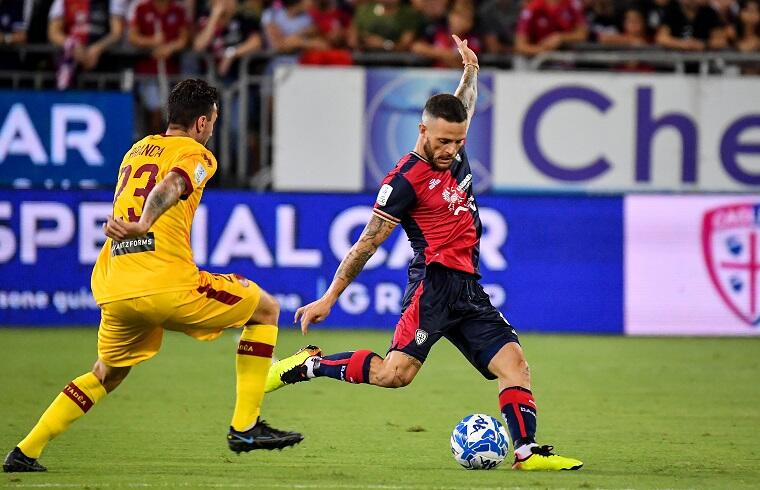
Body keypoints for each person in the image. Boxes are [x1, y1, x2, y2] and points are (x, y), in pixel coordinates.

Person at [266, 36, 584, 472]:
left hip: (468, 288)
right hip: (432, 285)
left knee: (515, 364)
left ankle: (527, 454)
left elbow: (461, 105)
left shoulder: (452, 146)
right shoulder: (403, 181)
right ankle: (310, 365)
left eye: (458, 141)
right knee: (394, 375)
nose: (451, 150)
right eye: (442, 141)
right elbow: (367, 243)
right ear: (422, 131)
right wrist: (329, 299)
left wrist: (470, 71)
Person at [3, 79, 303, 474]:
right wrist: (146, 222)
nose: (212, 129)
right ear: (200, 123)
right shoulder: (196, 153)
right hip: (166, 284)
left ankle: (25, 451)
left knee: (105, 374)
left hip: (114, 285)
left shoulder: (136, 150)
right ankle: (245, 426)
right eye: (212, 121)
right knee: (266, 309)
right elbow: (173, 184)